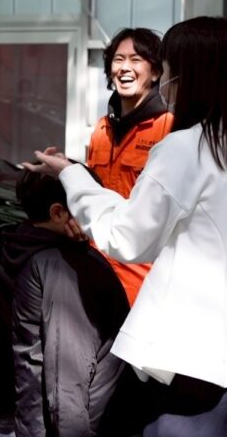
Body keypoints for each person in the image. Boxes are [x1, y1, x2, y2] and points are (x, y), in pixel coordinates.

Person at [26, 17, 227, 436]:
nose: (165, 85)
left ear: (192, 78)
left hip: (194, 366)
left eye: (168, 72)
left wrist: (71, 176)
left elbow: (128, 236)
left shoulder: (184, 149)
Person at [0, 169, 132, 437]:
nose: (96, 216)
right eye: (86, 207)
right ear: (58, 213)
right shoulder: (61, 268)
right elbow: (67, 379)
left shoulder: (34, 248)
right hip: (83, 423)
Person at [88, 27, 173, 304]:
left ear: (156, 72)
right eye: (118, 59)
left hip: (144, 283)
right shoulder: (101, 128)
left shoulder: (170, 128)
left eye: (136, 60)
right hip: (95, 269)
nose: (125, 68)